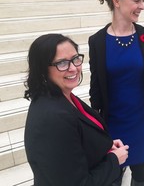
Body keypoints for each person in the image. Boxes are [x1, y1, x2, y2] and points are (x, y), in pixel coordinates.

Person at [88, 0, 144, 186]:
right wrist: (96, 125)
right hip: (112, 121)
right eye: (137, 0)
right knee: (113, 172)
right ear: (116, 1)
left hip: (141, 120)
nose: (142, 6)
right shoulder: (97, 41)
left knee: (139, 171)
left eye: (143, 0)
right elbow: (96, 88)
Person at [24, 33, 129, 186]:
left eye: (75, 59)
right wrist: (114, 160)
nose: (73, 68)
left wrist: (103, 146)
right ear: (42, 69)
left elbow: (75, 142)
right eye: (62, 63)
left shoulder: (62, 96)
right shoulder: (53, 118)